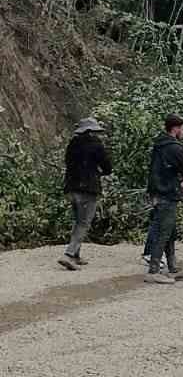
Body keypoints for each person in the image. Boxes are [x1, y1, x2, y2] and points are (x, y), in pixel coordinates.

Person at [59, 116, 112, 271]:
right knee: (84, 223)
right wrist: (99, 173)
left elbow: (68, 163)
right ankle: (68, 255)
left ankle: (75, 255)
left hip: (71, 188)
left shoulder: (72, 144)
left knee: (78, 221)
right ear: (90, 131)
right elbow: (107, 166)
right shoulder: (95, 145)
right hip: (88, 189)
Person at [145, 114, 183, 284]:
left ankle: (172, 267)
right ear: (176, 128)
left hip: (158, 193)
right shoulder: (174, 147)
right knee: (163, 232)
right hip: (167, 193)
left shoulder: (159, 145)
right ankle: (154, 270)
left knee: (170, 231)